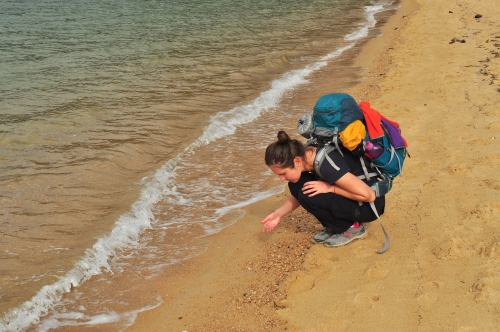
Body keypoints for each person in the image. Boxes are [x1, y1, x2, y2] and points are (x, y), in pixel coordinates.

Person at [260, 130, 385, 247]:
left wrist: (330, 188)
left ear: (296, 161)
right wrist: (278, 214)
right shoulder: (306, 156)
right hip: (356, 198)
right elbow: (298, 195)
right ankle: (334, 226)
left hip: (370, 206)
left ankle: (353, 227)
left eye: (283, 173)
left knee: (309, 195)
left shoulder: (325, 164)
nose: (281, 179)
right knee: (297, 185)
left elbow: (369, 195)